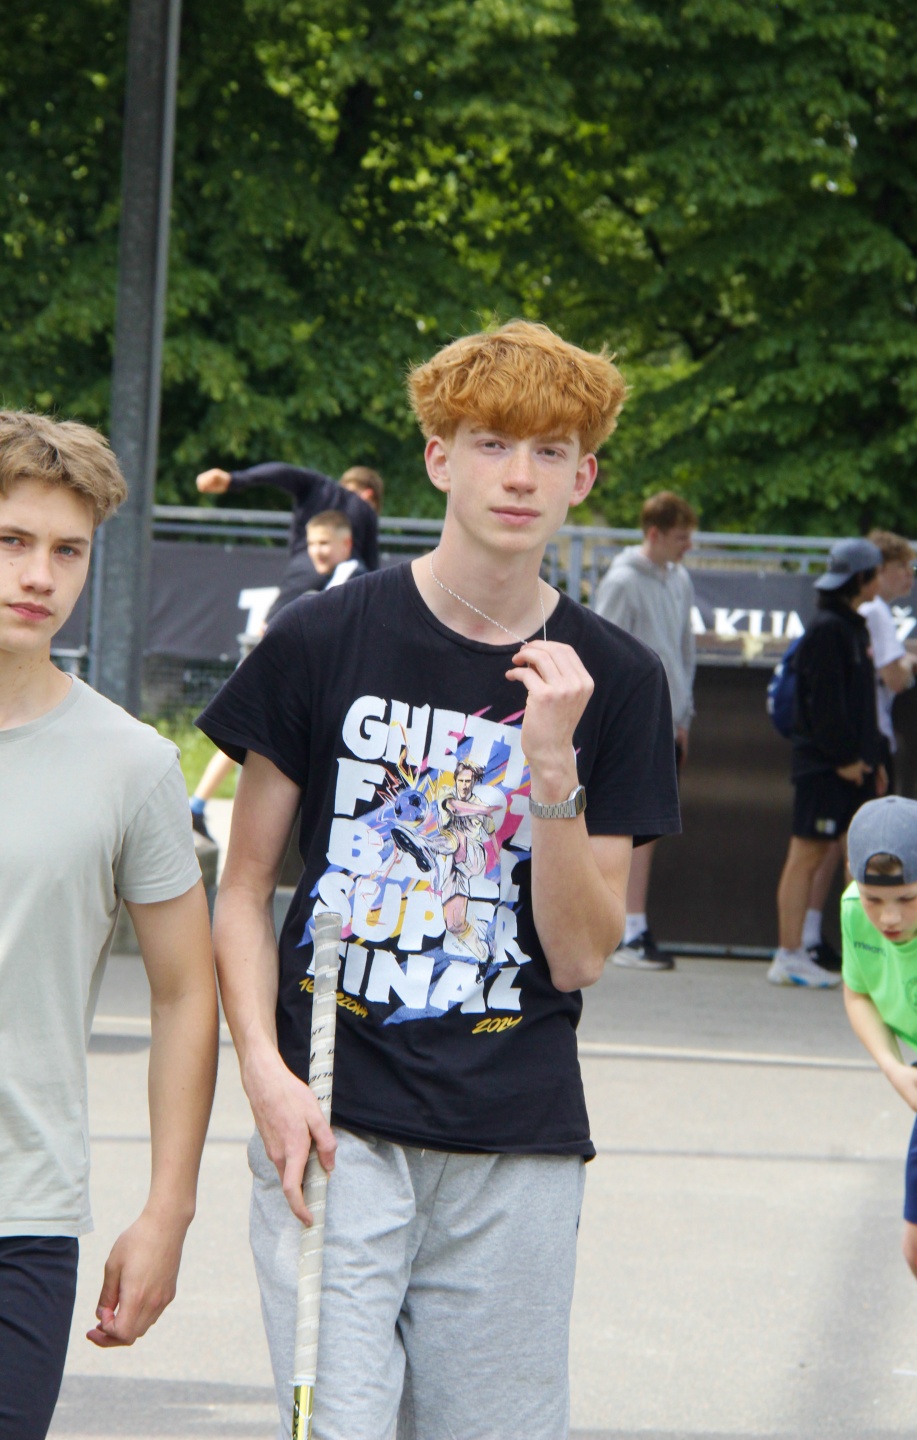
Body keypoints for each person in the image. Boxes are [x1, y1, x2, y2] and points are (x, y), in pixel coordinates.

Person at [197, 319, 680, 1440]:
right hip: (335, 1122)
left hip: (516, 1138)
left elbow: (581, 954)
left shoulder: (617, 680)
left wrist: (552, 768)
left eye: (550, 451)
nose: (519, 475)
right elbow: (244, 885)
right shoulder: (324, 635)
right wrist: (264, 1072)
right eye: (492, 443)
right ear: (438, 458)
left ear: (585, 478)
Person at [0, 411, 219, 1438]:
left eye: (67, 550)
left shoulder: (132, 765)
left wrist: (168, 1209)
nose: (37, 575)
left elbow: (185, 993)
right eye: (11, 540)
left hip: (22, 1220)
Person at [841, 797, 917, 1440]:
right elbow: (858, 990)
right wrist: (893, 1068)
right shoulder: (853, 911)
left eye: (907, 900)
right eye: (874, 898)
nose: (887, 917)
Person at [189, 510, 368, 839]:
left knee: (259, 746)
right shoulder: (320, 577)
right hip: (278, 667)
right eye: (312, 544)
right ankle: (200, 806)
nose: (317, 551)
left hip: (294, 673)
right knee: (255, 744)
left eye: (324, 543)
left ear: (346, 543)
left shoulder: (350, 576)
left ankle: (200, 805)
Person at [768, 537, 885, 988]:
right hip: (825, 767)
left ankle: (867, 960)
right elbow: (824, 704)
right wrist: (846, 759)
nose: (880, 580)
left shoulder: (853, 626)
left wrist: (872, 760)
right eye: (876, 572)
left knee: (861, 858)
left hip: (855, 767)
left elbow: (860, 703)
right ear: (862, 578)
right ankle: (788, 955)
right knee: (807, 854)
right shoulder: (827, 630)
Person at [591, 490, 697, 970]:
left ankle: (633, 925)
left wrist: (682, 716)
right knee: (628, 827)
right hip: (634, 723)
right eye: (680, 537)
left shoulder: (680, 579)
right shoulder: (621, 581)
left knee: (648, 829)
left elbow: (683, 651)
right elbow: (603, 653)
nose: (688, 546)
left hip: (668, 721)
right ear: (654, 533)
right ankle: (623, 928)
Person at [195, 460, 380, 613]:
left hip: (302, 577)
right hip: (350, 583)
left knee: (273, 628)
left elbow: (282, 471)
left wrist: (235, 479)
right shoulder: (365, 509)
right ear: (369, 495)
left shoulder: (318, 486)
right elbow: (373, 569)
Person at [860, 528, 917, 794]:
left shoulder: (863, 607)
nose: (909, 574)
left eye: (911, 567)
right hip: (873, 736)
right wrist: (907, 663)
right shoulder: (876, 611)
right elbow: (895, 679)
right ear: (879, 570)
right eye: (901, 566)